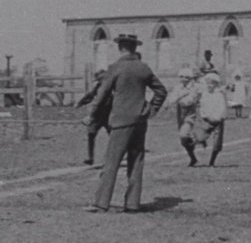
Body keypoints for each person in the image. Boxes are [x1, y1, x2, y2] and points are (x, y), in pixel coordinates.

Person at [84, 34, 168, 213]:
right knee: (136, 161)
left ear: (120, 47)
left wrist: (91, 115)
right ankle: (132, 204)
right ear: (134, 48)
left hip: (121, 121)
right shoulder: (143, 67)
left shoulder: (115, 68)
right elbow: (161, 91)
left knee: (111, 162)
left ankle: (101, 202)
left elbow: (101, 96)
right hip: (140, 121)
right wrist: (150, 109)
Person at [187, 72, 227, 167]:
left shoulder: (219, 95)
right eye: (208, 83)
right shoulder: (204, 94)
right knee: (199, 137)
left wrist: (218, 118)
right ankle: (201, 144)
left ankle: (212, 161)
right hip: (207, 120)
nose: (210, 85)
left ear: (216, 85)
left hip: (217, 120)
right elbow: (202, 107)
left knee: (217, 142)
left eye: (212, 83)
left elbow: (222, 108)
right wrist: (205, 116)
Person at [74, 69, 109, 165]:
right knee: (91, 134)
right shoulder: (98, 87)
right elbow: (90, 96)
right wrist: (80, 103)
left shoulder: (112, 88)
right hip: (98, 116)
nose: (101, 81)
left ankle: (120, 155)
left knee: (116, 137)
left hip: (110, 115)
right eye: (99, 80)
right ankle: (90, 158)